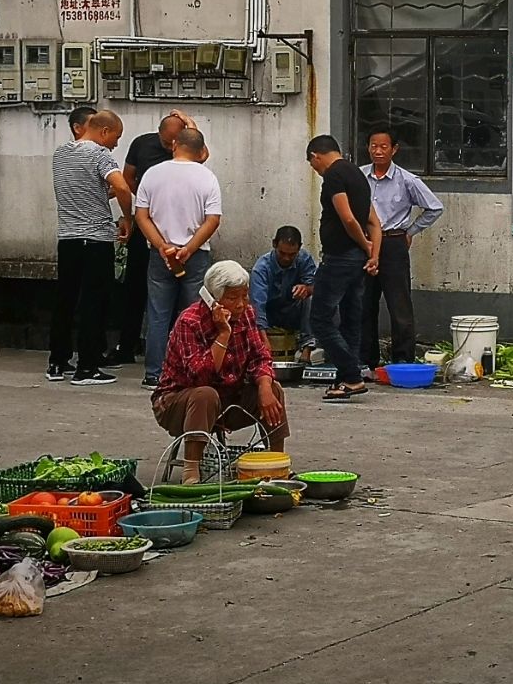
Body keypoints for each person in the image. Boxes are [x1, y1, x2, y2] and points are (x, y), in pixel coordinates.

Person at [151, 261, 289, 483]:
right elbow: (200, 376)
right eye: (233, 298)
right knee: (205, 393)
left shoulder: (247, 314)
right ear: (212, 300)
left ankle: (277, 463)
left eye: (244, 296)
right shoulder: (190, 321)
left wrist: (264, 386)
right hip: (180, 404)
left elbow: (260, 356)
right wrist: (224, 334)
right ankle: (191, 472)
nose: (241, 304)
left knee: (273, 388)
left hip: (228, 400)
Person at [49, 109, 133, 385]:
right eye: (116, 137)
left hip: (67, 238)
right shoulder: (99, 154)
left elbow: (84, 188)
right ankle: (87, 368)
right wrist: (127, 218)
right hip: (95, 239)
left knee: (65, 300)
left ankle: (57, 362)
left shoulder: (61, 154)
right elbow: (121, 187)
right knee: (94, 303)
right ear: (104, 131)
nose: (116, 144)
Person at [107, 110, 196, 366]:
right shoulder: (142, 144)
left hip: (178, 229)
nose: (172, 148)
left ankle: (173, 351)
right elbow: (128, 178)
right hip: (146, 223)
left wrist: (191, 125)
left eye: (176, 142)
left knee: (176, 293)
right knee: (135, 288)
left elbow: (202, 155)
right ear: (159, 134)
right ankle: (127, 344)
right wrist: (147, 201)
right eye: (167, 143)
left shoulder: (187, 150)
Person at [136, 125, 221, 390]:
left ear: (174, 145)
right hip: (195, 255)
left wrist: (162, 245)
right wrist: (190, 248)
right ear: (201, 151)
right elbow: (213, 220)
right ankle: (191, 369)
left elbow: (142, 215)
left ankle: (155, 373)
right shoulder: (207, 178)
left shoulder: (152, 174)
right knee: (195, 314)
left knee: (158, 313)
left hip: (160, 254)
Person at [360, 124, 444, 368]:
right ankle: (366, 360)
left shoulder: (407, 180)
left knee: (400, 306)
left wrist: (412, 231)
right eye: (373, 146)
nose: (378, 151)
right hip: (365, 244)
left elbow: (434, 207)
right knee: (364, 304)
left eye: (383, 146)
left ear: (394, 149)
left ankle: (403, 360)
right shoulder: (359, 176)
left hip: (394, 243)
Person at [306, 134, 382, 401]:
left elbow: (349, 218)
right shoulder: (358, 175)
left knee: (320, 319)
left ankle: (351, 375)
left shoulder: (335, 175)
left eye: (313, 165)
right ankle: (346, 380)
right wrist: (374, 254)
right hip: (357, 261)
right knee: (351, 319)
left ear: (316, 156)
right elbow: (375, 222)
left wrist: (365, 246)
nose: (316, 170)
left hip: (340, 258)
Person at [249, 226, 317, 355]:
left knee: (313, 298)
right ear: (274, 244)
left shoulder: (304, 259)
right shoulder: (261, 269)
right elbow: (258, 308)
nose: (286, 258)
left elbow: (318, 287)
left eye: (292, 254)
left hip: (293, 312)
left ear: (299, 248)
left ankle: (307, 350)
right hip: (270, 314)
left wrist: (307, 289)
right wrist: (264, 341)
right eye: (282, 253)